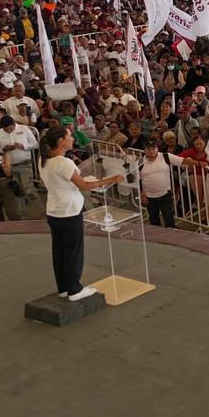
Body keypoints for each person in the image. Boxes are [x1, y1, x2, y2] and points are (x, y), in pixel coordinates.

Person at [38, 126, 124, 301]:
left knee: (59, 250)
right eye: (69, 136)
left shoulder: (43, 159)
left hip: (54, 210)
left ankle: (63, 287)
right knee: (73, 251)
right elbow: (84, 186)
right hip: (69, 211)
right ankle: (75, 289)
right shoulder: (63, 162)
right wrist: (111, 179)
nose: (72, 138)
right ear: (61, 141)